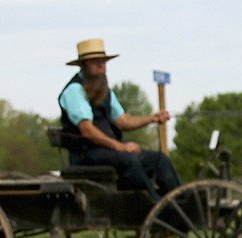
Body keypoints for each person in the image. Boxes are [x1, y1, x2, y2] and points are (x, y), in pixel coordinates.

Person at [58, 38, 182, 202]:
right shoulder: (74, 90)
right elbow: (87, 130)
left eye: (103, 61)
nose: (102, 65)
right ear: (84, 65)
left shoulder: (105, 91)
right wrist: (121, 147)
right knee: (129, 161)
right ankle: (154, 206)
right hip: (86, 155)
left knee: (160, 160)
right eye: (95, 62)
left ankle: (181, 202)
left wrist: (151, 118)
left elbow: (122, 121)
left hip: (108, 153)